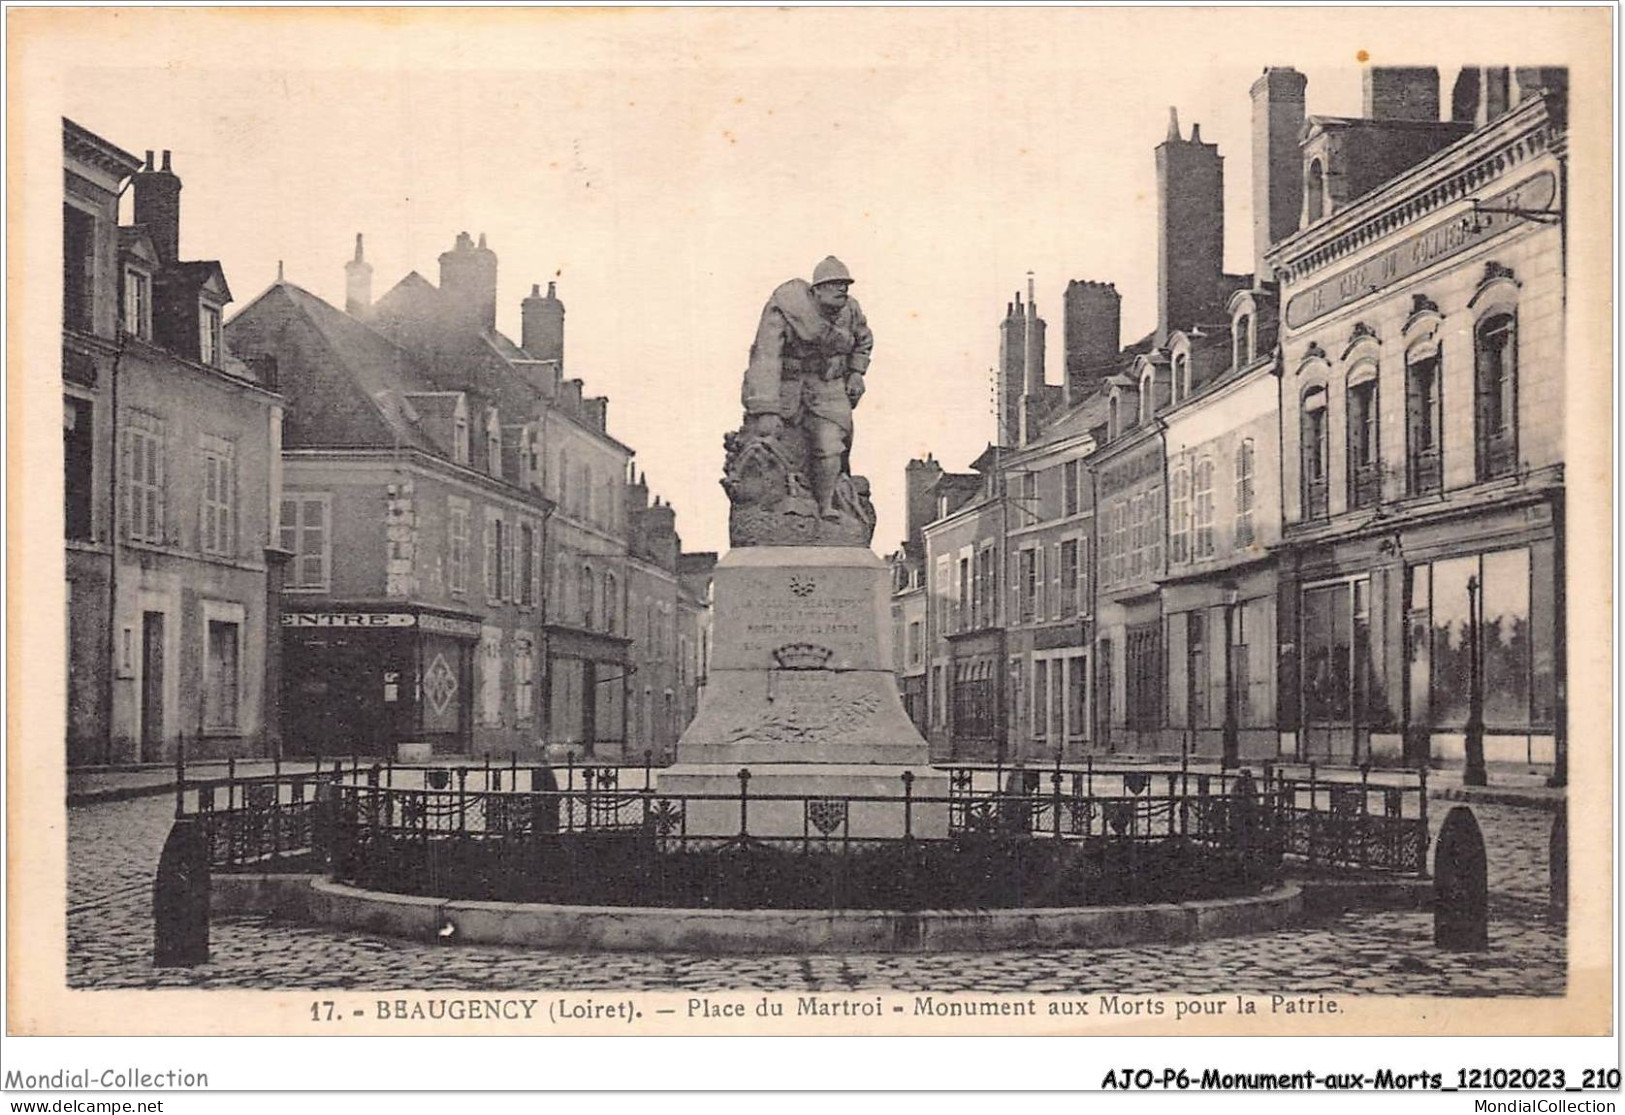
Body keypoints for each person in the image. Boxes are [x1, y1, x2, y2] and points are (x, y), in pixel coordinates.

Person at [740, 256, 873, 521]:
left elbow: (864, 340)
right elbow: (766, 357)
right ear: (816, 290)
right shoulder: (786, 307)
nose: (842, 290)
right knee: (784, 454)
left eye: (845, 285)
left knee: (830, 446)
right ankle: (785, 511)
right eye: (834, 284)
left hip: (829, 388)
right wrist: (766, 408)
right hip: (790, 389)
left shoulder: (851, 311)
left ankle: (826, 507)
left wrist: (856, 373)